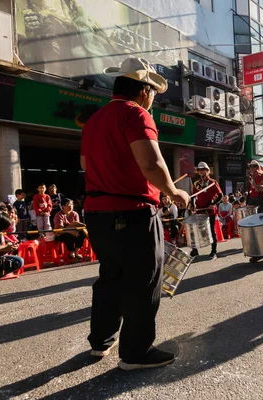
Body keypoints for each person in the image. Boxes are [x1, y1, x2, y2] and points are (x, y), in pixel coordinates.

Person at [81, 57, 190, 370]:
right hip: (132, 212)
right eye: (153, 91)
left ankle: (100, 341)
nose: (153, 97)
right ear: (144, 90)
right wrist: (173, 192)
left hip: (97, 213)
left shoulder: (94, 120)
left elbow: (86, 166)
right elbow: (151, 163)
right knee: (144, 280)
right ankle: (135, 352)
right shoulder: (136, 114)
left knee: (110, 277)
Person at [191, 162, 223, 260]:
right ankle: (195, 250)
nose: (201, 171)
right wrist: (192, 205)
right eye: (199, 170)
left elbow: (220, 195)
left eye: (203, 169)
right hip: (200, 209)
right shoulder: (196, 184)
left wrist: (213, 204)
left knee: (211, 231)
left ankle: (214, 252)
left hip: (210, 210)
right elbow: (193, 197)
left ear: (207, 171)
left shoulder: (213, 182)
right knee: (195, 230)